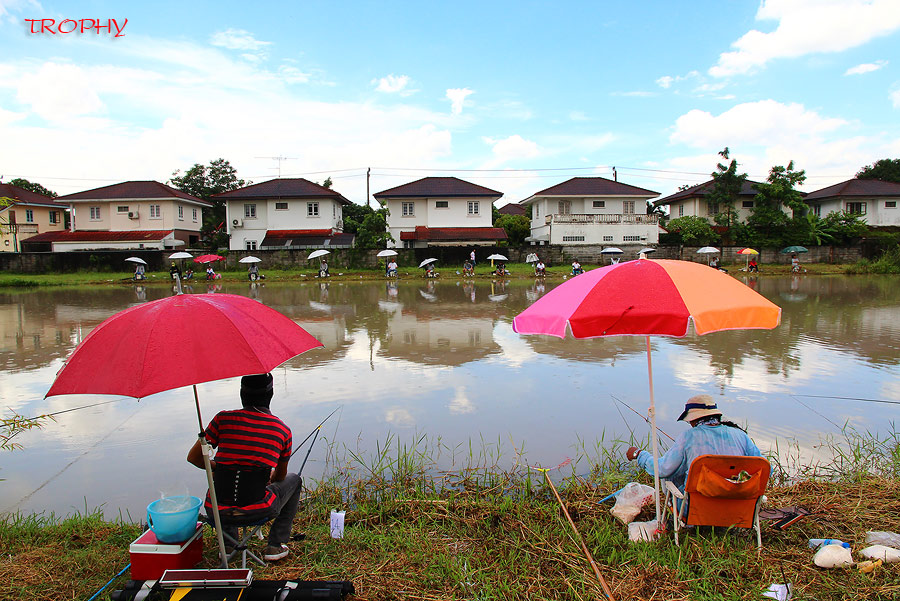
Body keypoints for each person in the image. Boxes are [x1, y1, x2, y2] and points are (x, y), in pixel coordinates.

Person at [187, 373, 302, 562]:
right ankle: (275, 545)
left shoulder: (222, 419)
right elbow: (280, 478)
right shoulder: (281, 430)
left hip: (218, 510)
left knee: (220, 483)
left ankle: (228, 545)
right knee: (294, 480)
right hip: (259, 509)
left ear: (242, 393)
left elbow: (194, 458)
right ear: (270, 394)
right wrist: (267, 476)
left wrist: (218, 467)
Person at [625, 394, 764, 495]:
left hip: (696, 509)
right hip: (738, 506)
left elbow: (662, 469)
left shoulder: (688, 437)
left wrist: (639, 454)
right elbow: (763, 467)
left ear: (693, 419)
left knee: (670, 474)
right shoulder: (740, 435)